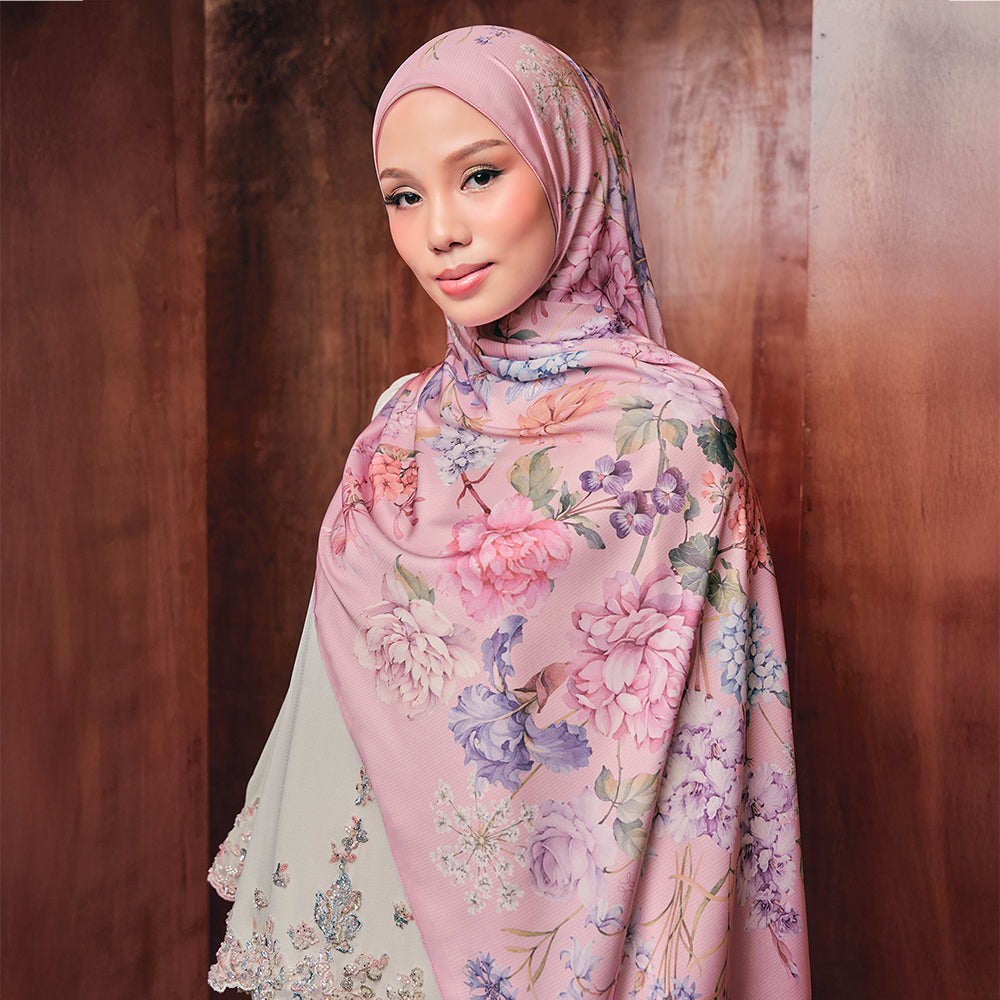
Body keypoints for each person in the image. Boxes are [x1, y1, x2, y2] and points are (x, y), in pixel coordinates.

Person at [208, 25, 810, 1000]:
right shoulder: (396, 428)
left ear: (572, 173)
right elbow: (334, 730)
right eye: (403, 195)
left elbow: (706, 752)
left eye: (479, 176)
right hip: (385, 935)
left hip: (590, 938)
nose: (438, 229)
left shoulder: (675, 429)